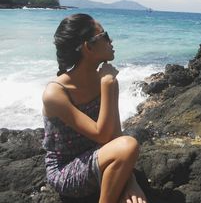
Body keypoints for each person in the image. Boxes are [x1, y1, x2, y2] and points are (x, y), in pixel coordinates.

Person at [42, 13, 147, 203]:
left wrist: (130, 181)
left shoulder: (107, 81)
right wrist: (106, 84)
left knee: (127, 144)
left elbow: (115, 134)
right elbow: (102, 135)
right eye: (104, 35)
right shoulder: (56, 93)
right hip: (66, 170)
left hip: (100, 157)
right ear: (88, 47)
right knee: (129, 144)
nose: (111, 40)